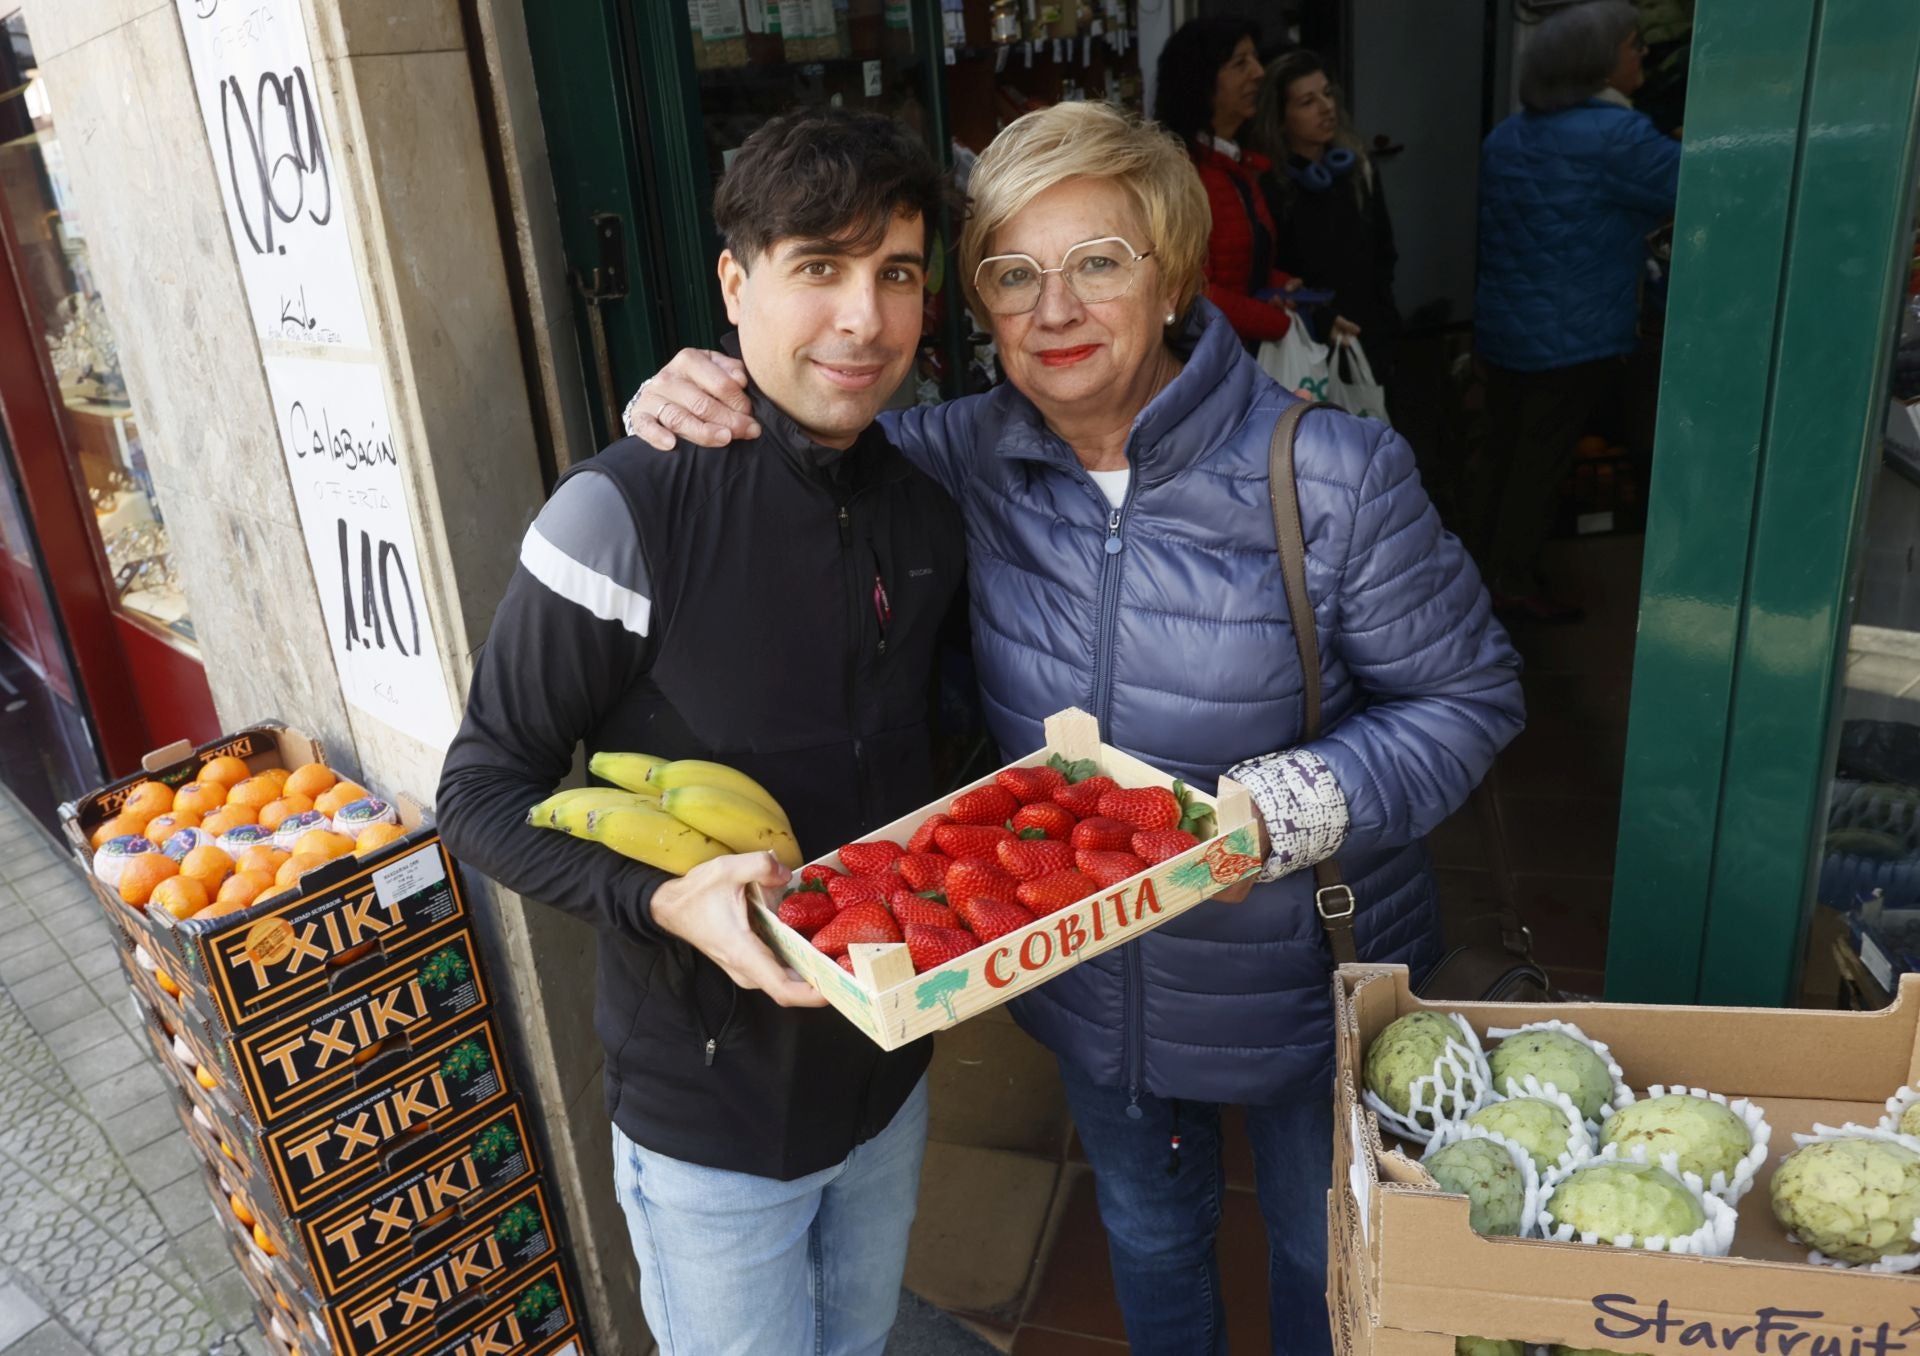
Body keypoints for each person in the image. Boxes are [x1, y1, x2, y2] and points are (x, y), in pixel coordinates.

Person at [626, 101, 1524, 1355]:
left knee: (1325, 1253)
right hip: (1094, 982)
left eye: (1098, 263)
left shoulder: (1332, 475)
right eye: (1012, 274)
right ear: (980, 305)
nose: (1054, 310)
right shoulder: (951, 457)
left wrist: (1287, 808)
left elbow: (1470, 695)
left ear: (1172, 278)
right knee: (1150, 1236)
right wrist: (700, 384)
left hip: (1299, 971)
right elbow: (808, 421)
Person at [435, 108, 966, 1356]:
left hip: (888, 1073)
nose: (864, 318)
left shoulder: (925, 510)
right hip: (712, 1117)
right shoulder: (622, 511)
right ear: (735, 286)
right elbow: (479, 792)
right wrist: (661, 899)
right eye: (820, 267)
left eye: (897, 274)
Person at [1474, 0, 1679, 622]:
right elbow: (1696, 187)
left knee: (1504, 459)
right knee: (1541, 468)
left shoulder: (1507, 136)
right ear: (1598, 63)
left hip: (1506, 330)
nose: (1643, 53)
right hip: (1572, 337)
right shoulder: (1618, 137)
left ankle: (1482, 574)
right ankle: (1512, 585)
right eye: (1633, 44)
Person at [1153, 17, 1299, 348]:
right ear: (1201, 80)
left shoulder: (1237, 163)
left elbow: (1243, 266)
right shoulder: (1179, 173)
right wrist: (1277, 323)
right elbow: (1192, 291)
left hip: (1236, 348)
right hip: (1204, 357)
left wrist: (1281, 286)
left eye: (1255, 59)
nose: (1258, 73)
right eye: (1240, 63)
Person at [1252, 49, 1399, 367]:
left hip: (1371, 331)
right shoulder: (1271, 187)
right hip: (1308, 340)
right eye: (1308, 102)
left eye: (1327, 94)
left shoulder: (1358, 168)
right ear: (1280, 120)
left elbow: (1383, 250)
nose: (1326, 107)